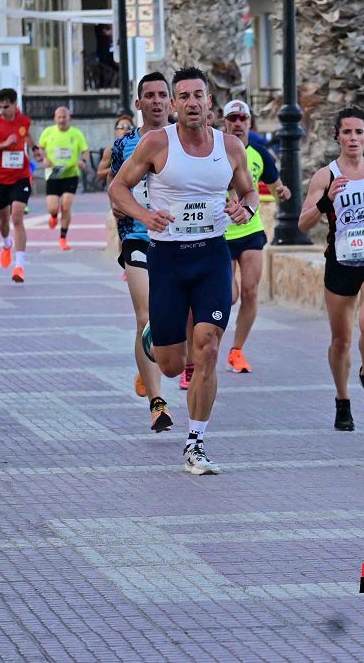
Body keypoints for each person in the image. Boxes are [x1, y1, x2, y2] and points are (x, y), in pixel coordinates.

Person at [109, 66, 257, 475]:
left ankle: (196, 442)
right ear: (174, 104)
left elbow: (248, 191)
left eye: (199, 95)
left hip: (211, 255)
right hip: (168, 258)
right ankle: (153, 334)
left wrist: (245, 208)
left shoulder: (229, 148)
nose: (192, 103)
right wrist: (144, 214)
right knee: (171, 363)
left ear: (210, 102)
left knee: (208, 346)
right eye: (184, 96)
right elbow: (117, 189)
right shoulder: (157, 143)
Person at [298, 107, 364, 431]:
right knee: (340, 340)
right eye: (347, 132)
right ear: (337, 136)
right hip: (340, 263)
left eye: (358, 132)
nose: (353, 138)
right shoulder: (326, 175)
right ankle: (342, 401)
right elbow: (303, 221)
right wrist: (326, 201)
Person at [108, 71, 174, 433]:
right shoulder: (125, 145)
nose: (156, 101)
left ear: (171, 100)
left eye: (162, 94)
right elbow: (115, 192)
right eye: (149, 95)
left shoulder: (186, 140)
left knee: (176, 321)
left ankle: (150, 359)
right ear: (139, 103)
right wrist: (133, 212)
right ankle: (157, 402)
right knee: (145, 316)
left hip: (179, 240)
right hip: (137, 237)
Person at [222, 99, 291, 373]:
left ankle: (237, 350)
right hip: (222, 234)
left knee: (250, 292)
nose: (237, 123)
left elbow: (276, 187)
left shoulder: (260, 154)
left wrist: (282, 193)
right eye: (232, 118)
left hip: (251, 230)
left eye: (242, 118)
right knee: (230, 296)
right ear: (224, 122)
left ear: (250, 123)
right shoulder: (215, 150)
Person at [0, 88, 32, 283]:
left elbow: (26, 136)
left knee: (17, 216)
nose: (3, 110)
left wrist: (35, 148)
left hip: (21, 176)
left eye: (7, 106)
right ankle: (6, 243)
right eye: (0, 106)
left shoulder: (24, 121)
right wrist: (3, 145)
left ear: (15, 104)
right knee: (3, 221)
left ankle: (19, 266)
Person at [38, 106, 89, 251]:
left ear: (69, 118)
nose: (61, 120)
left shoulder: (77, 134)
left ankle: (63, 238)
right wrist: (44, 159)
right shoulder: (48, 132)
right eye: (59, 117)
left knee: (66, 206)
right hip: (53, 174)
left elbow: (85, 151)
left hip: (71, 174)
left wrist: (83, 161)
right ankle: (53, 216)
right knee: (53, 207)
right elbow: (40, 148)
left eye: (64, 117)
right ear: (55, 119)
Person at [98, 115, 135, 182]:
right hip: (117, 188)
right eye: (122, 127)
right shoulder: (111, 150)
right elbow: (100, 173)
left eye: (129, 127)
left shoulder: (139, 147)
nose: (125, 129)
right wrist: (118, 167)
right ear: (116, 131)